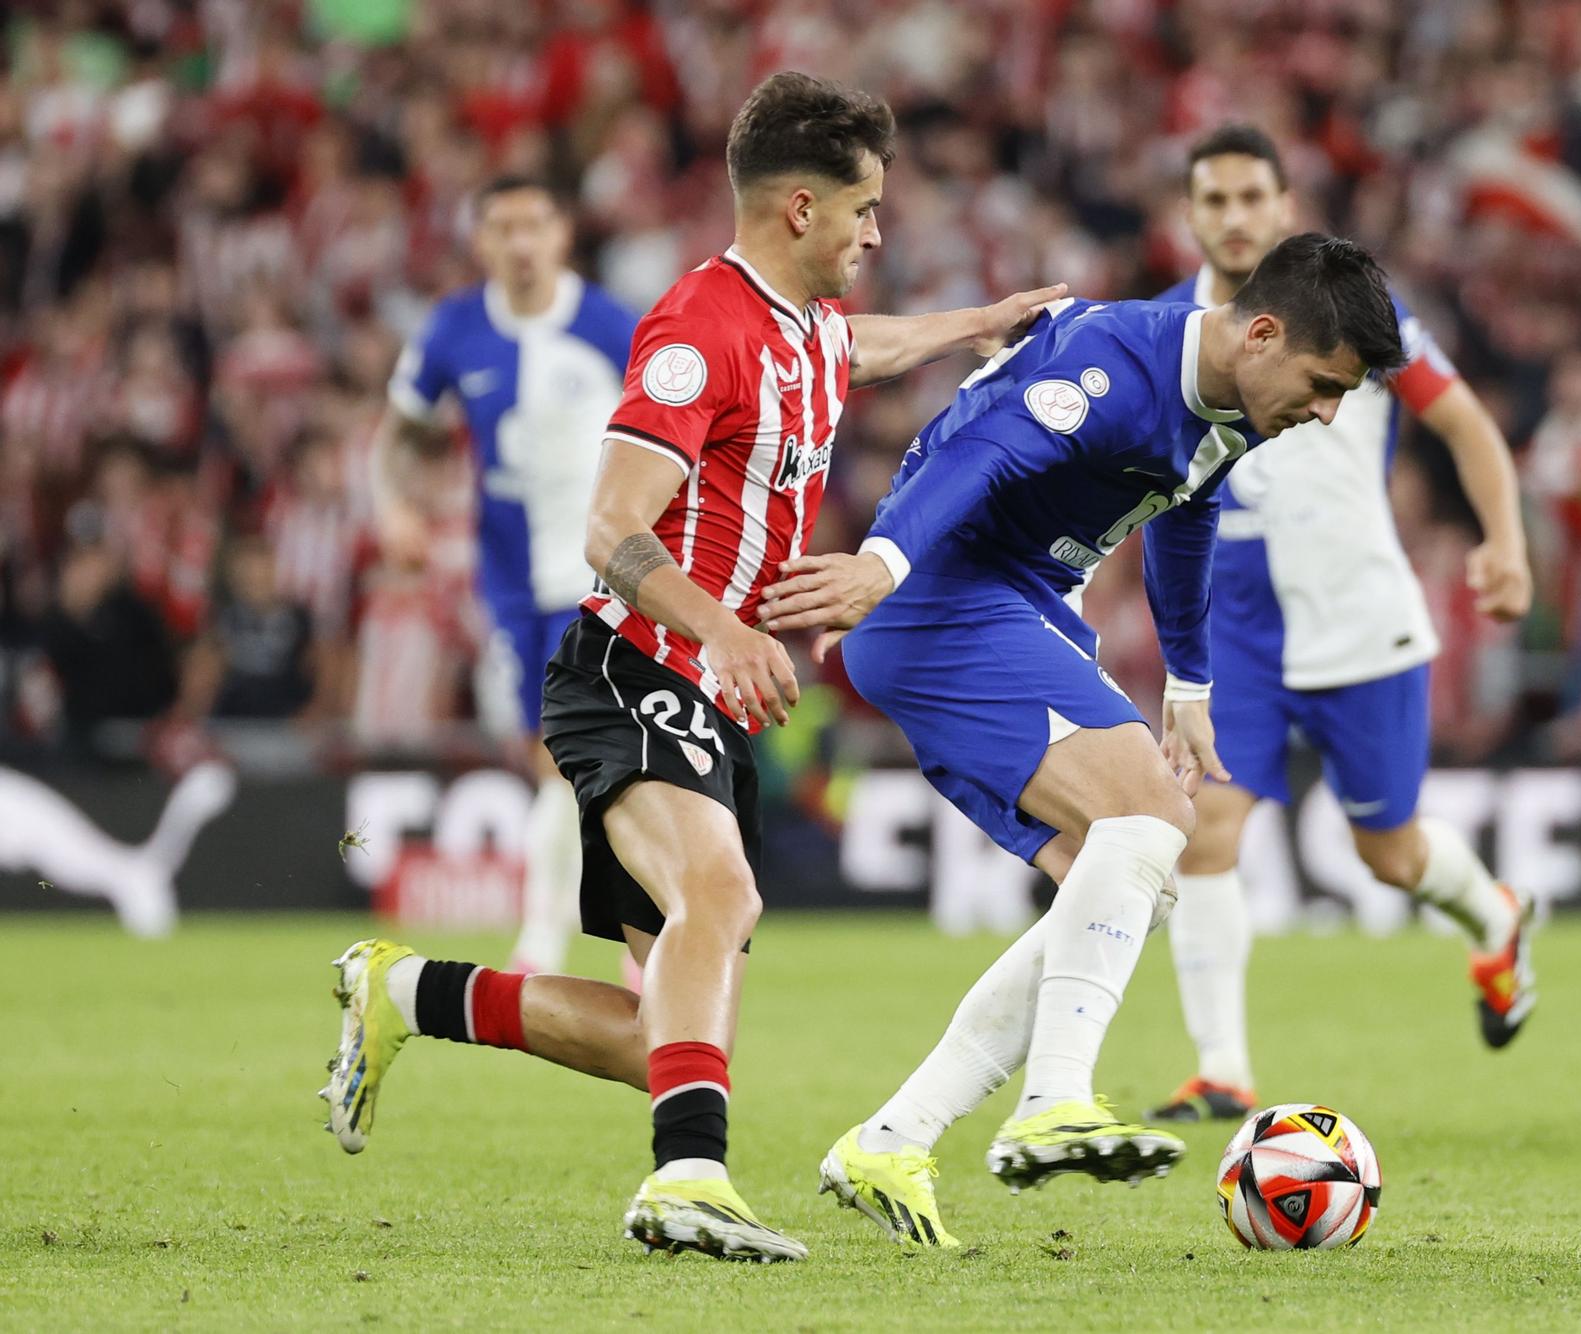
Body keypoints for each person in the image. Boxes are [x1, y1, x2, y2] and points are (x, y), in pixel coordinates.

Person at [320, 71, 1066, 1265]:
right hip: (635, 665)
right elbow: (609, 529)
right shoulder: (691, 328)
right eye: (864, 208)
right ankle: (687, 1182)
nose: (879, 230)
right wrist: (722, 627)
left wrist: (973, 329)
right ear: (798, 210)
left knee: (658, 1033)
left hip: (711, 701)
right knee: (719, 904)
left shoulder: (805, 326)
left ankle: (402, 994)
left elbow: (854, 352)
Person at [759, 233, 1408, 1249]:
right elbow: (982, 453)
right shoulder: (1114, 365)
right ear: (1264, 332)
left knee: (1133, 879)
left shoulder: (1230, 403)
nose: (1327, 413)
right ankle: (1051, 1101)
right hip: (941, 593)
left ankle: (893, 1136)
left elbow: (1188, 509)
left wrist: (1188, 681)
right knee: (1154, 816)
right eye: (1324, 385)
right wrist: (881, 563)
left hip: (1007, 602)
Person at [1143, 126, 1538, 1126]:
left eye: (1249, 197)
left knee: (1389, 854)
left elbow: (1463, 423)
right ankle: (1222, 1068)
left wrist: (1503, 540)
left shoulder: (1359, 313)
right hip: (1231, 620)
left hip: (1356, 610)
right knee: (1206, 827)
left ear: (1282, 206)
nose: (1232, 217)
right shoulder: (1165, 329)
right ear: (1188, 216)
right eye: (1213, 200)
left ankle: (1493, 916)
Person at [371, 174, 639, 977]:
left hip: (602, 573)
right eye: (502, 228)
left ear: (563, 234)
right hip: (512, 582)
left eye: (535, 224)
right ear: (480, 241)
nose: (520, 243)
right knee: (546, 754)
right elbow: (400, 434)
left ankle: (563, 939)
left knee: (584, 754)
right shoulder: (454, 329)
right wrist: (393, 507)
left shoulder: (611, 326)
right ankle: (608, 935)